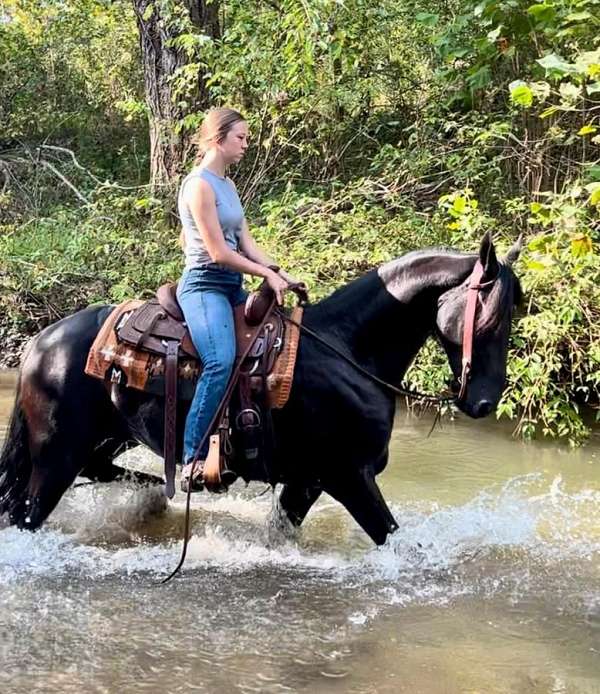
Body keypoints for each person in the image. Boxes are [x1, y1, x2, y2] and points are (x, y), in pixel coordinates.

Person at [177, 107, 299, 491]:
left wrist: (279, 272)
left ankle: (249, 442)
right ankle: (192, 458)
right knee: (221, 360)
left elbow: (246, 244)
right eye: (241, 138)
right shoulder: (198, 185)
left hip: (232, 285)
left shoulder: (228, 186)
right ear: (218, 139)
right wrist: (263, 275)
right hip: (204, 285)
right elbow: (218, 252)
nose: (247, 144)